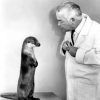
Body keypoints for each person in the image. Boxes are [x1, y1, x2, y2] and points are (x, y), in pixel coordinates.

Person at [56, 1, 100, 100]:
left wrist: (77, 53)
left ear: (72, 19)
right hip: (72, 87)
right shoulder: (70, 29)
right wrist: (64, 47)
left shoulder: (97, 30)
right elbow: (67, 48)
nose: (58, 24)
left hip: (89, 91)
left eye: (60, 21)